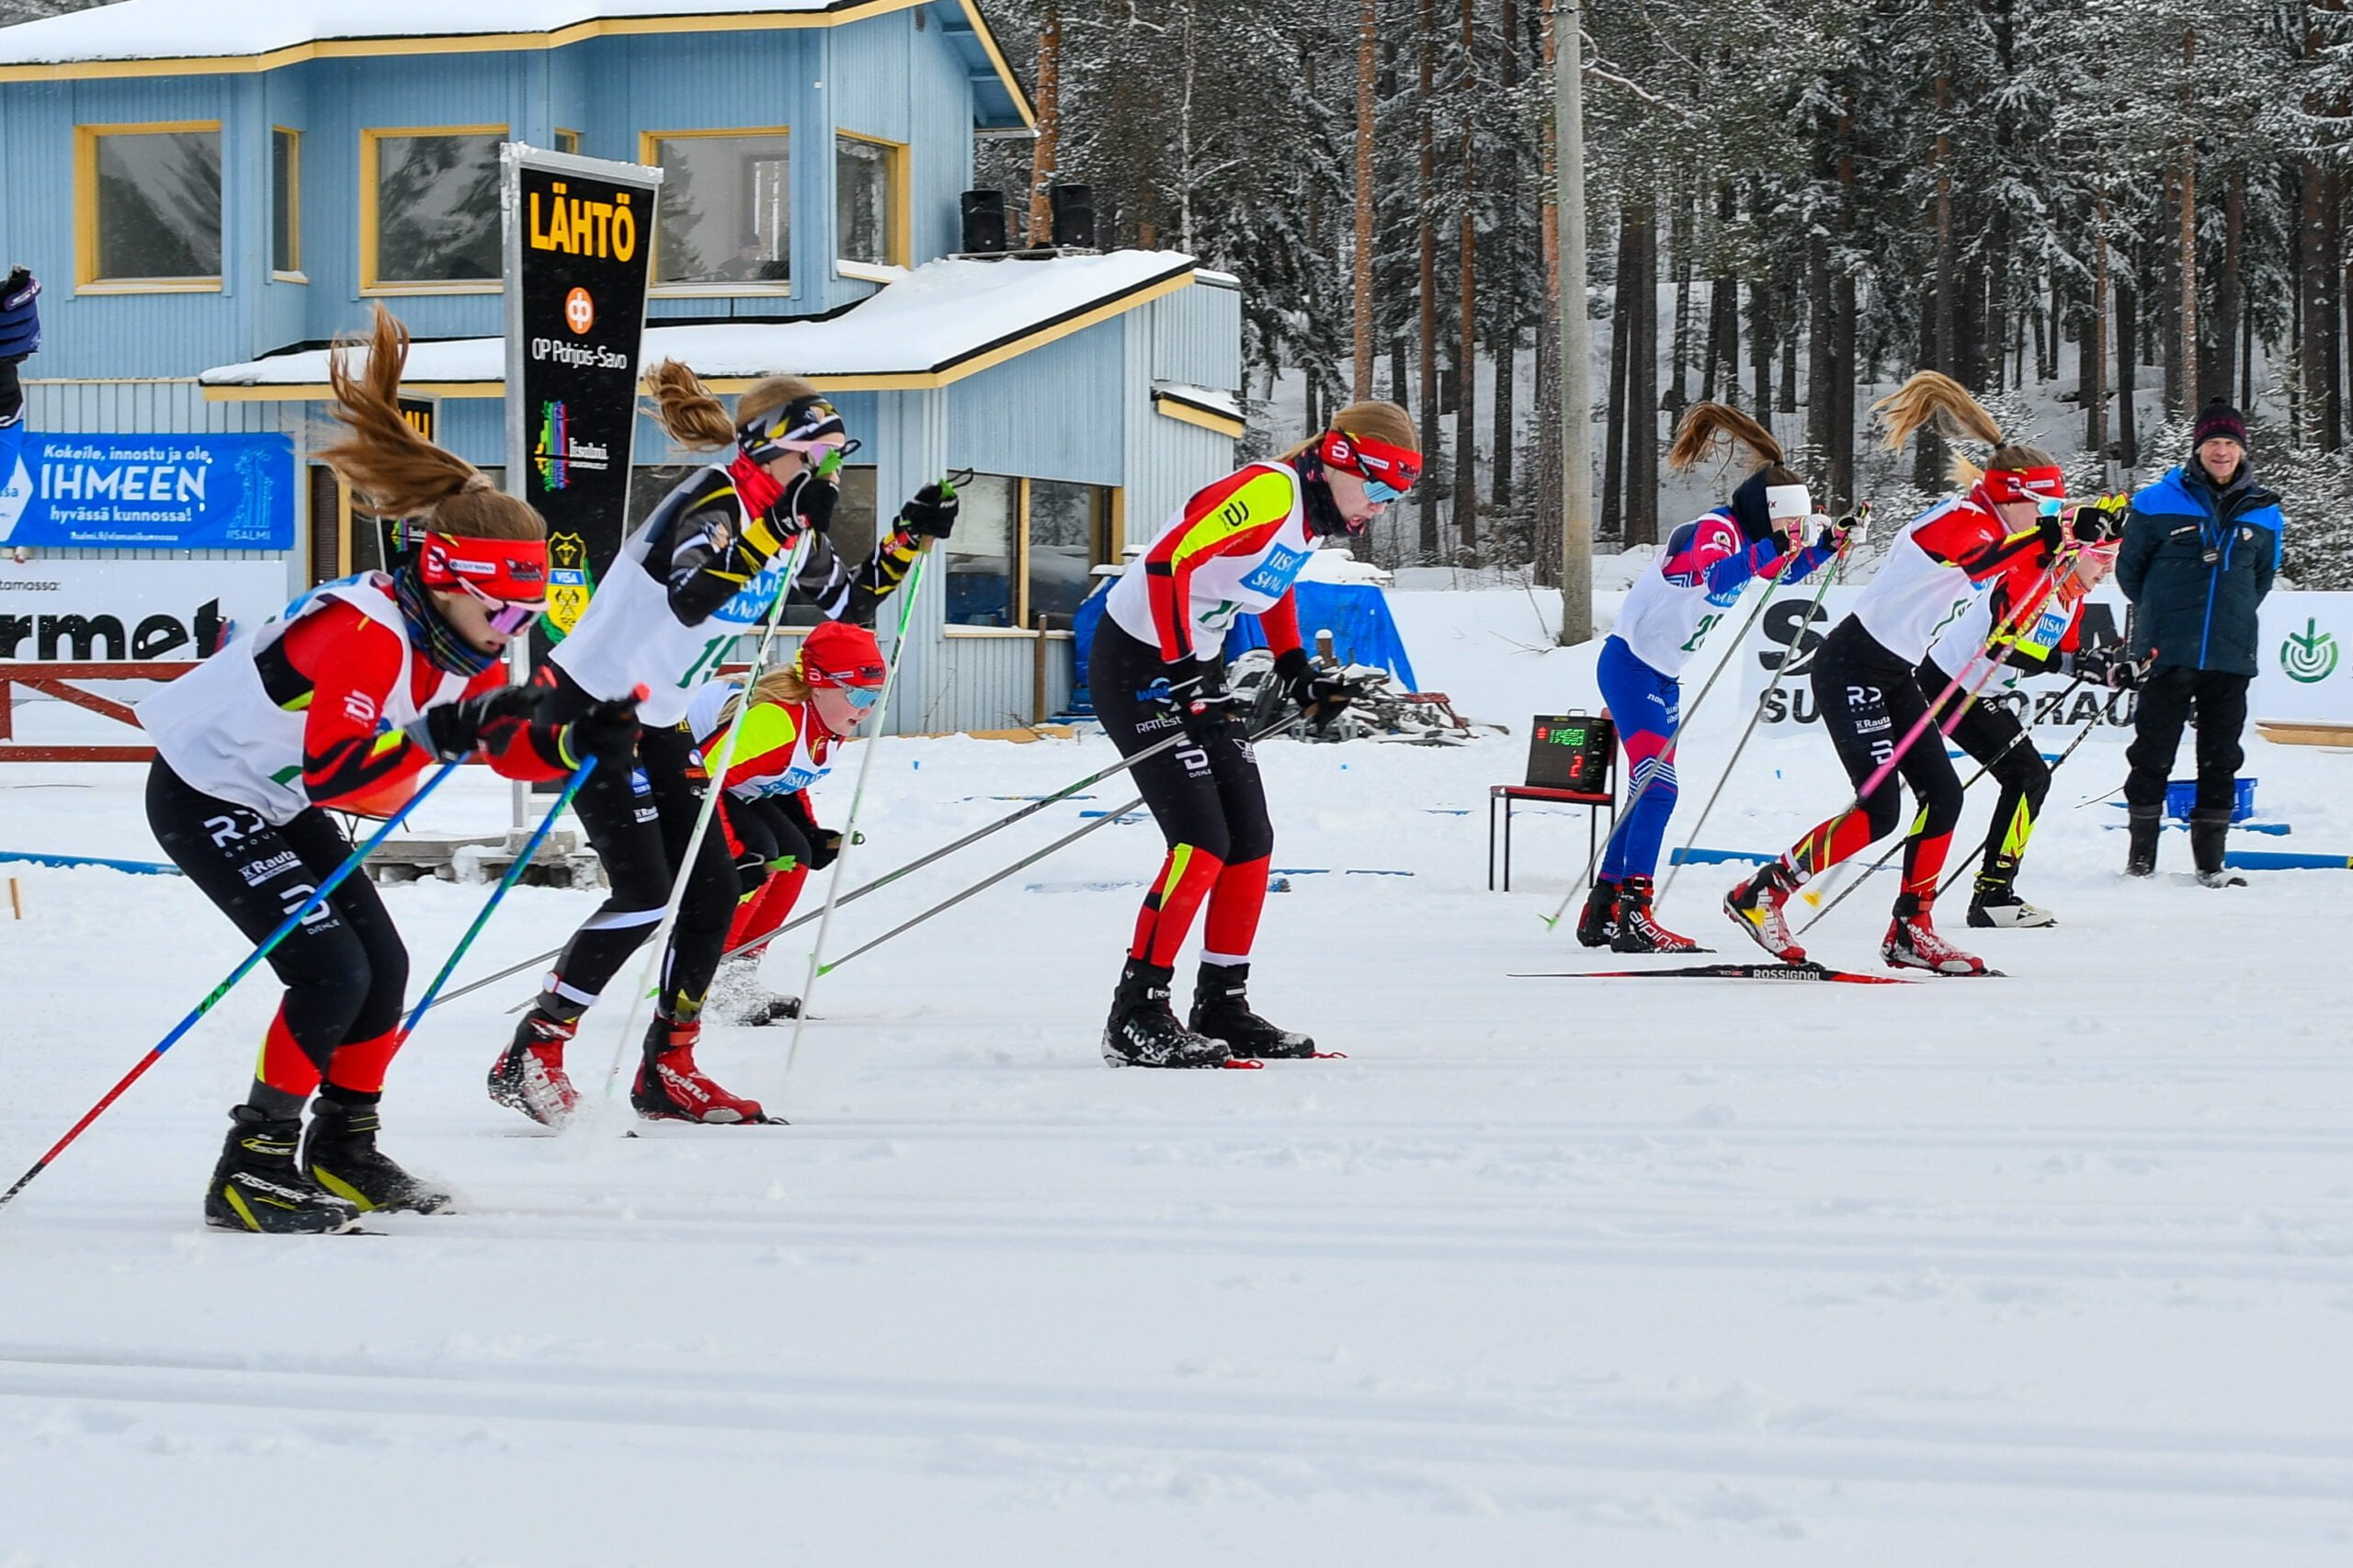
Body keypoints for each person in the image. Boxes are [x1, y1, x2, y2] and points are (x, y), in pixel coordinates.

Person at [138, 306, 632, 1233]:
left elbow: (498, 742)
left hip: (273, 794)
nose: (515, 636)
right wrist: (444, 735)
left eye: (530, 618)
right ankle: (251, 1165)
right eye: (508, 614)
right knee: (328, 969)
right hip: (207, 793)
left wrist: (574, 740)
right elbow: (350, 780)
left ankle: (344, 1145)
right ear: (445, 576)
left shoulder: (463, 632)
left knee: (386, 967)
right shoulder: (364, 634)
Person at [490, 359, 955, 1127]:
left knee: (714, 888)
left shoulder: (785, 516)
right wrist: (778, 523)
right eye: (822, 456)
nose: (832, 472)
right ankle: (531, 1051)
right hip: (592, 707)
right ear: (778, 448)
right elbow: (691, 594)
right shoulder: (718, 495)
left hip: (660, 719)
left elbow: (852, 600)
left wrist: (910, 534)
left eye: (839, 457)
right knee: (644, 896)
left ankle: (668, 1067)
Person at [1721, 370, 2078, 975]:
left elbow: (2026, 574)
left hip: (1894, 672)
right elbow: (1986, 557)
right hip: (1852, 665)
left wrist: (2074, 540)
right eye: (2044, 504)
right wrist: (2051, 535)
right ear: (2014, 495)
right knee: (1880, 810)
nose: (2049, 514)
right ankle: (1762, 893)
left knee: (1942, 796)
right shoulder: (1967, 519)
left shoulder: (1999, 518)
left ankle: (1912, 928)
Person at [1090, 403, 1413, 1067]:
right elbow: (1168, 565)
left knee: (1251, 839)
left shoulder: (1310, 521)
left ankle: (1222, 1003)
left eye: (1396, 497)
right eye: (1380, 489)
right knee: (1201, 841)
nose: (1382, 506)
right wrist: (1184, 675)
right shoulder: (1268, 490)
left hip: (1188, 663)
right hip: (1139, 663)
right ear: (1341, 462)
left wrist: (1295, 670)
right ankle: (1137, 1011)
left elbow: (1273, 584)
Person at [1577, 403, 1844, 953]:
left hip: (1660, 677)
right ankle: (1636, 911)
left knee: (1644, 790)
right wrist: (1775, 547)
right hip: (1632, 668)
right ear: (1762, 515)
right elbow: (1700, 573)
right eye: (1786, 528)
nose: (1790, 537)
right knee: (1658, 790)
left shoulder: (1751, 537)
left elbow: (1782, 568)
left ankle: (1605, 904)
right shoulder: (1711, 532)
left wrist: (1822, 548)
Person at [1916, 497, 2136, 927]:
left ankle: (1994, 894)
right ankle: (1994, 896)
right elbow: (2003, 644)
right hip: (1950, 683)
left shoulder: (2073, 595)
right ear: (2077, 552)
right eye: (2103, 557)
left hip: (1982, 690)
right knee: (2028, 776)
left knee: (2028, 777)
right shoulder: (2034, 573)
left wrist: (2110, 670)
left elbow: (2064, 653)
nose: (2108, 568)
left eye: (2114, 557)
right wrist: (2073, 664)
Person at [2115, 399, 2284, 886]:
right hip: (2165, 650)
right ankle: (2140, 861)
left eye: (2230, 443)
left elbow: (2261, 579)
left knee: (2222, 756)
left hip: (2230, 654)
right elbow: (2131, 571)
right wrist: (2165, 615)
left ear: (2242, 450)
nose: (2222, 451)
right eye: (2213, 442)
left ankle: (2211, 864)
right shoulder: (2154, 501)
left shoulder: (2266, 511)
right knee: (2151, 752)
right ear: (2198, 448)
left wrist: (2225, 616)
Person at [685, 620, 888, 1026]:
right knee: (761, 858)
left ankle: (738, 977)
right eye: (859, 694)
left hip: (732, 786)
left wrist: (810, 832)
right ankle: (706, 978)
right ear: (819, 684)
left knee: (795, 856)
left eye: (876, 696)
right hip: (682, 784)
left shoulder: (828, 721)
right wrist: (729, 857)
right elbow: (696, 781)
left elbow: (783, 776)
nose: (866, 709)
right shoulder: (774, 723)